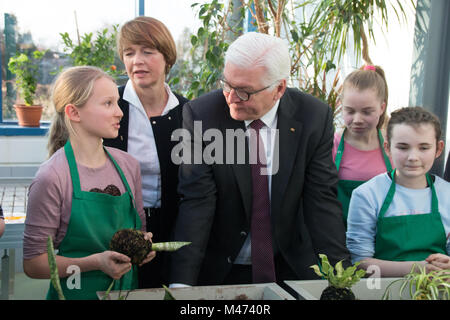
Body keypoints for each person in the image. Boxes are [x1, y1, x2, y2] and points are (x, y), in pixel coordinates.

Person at [169, 32, 351, 287]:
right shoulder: (202, 116)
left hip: (289, 265)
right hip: (221, 269)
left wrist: (341, 280)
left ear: (279, 88)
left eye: (244, 92)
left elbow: (321, 202)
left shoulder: (313, 118)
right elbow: (197, 203)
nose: (231, 97)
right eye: (227, 84)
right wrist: (181, 286)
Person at [23, 66, 155, 300]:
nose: (120, 113)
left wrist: (142, 247)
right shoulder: (52, 177)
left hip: (127, 293)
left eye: (117, 102)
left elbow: (139, 231)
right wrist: (94, 263)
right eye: (108, 103)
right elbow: (34, 264)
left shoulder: (128, 166)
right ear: (74, 112)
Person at [103, 16, 188, 289]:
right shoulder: (107, 106)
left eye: (147, 52)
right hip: (114, 230)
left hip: (173, 229)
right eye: (129, 53)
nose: (137, 60)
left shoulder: (189, 113)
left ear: (167, 57)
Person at [347, 106, 450, 277]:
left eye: (424, 148)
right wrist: (416, 268)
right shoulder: (367, 195)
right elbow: (360, 264)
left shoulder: (447, 194)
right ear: (387, 148)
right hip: (381, 291)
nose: (413, 157)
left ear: (438, 149)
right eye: (403, 147)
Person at [333, 65, 392, 227]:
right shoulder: (332, 145)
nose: (357, 119)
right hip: (339, 237)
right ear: (341, 105)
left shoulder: (393, 145)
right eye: (350, 111)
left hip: (384, 238)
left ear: (382, 108)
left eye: (367, 112)